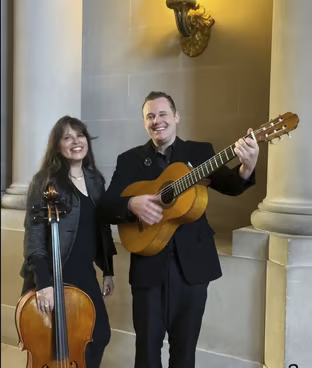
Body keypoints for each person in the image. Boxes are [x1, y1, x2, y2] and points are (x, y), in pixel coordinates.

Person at [101, 91, 259, 368]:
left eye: (162, 114)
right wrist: (131, 204)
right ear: (144, 123)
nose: (156, 120)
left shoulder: (200, 153)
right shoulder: (130, 160)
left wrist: (247, 167)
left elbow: (231, 185)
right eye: (150, 116)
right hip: (148, 266)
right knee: (147, 350)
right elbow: (106, 205)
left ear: (176, 116)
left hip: (192, 267)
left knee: (184, 350)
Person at [20, 115, 117, 368]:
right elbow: (34, 234)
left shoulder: (95, 180)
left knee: (98, 335)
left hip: (85, 273)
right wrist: (43, 282)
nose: (76, 141)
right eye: (67, 137)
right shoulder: (45, 180)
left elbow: (102, 229)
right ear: (58, 146)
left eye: (80, 135)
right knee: (51, 344)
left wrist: (108, 270)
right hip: (54, 274)